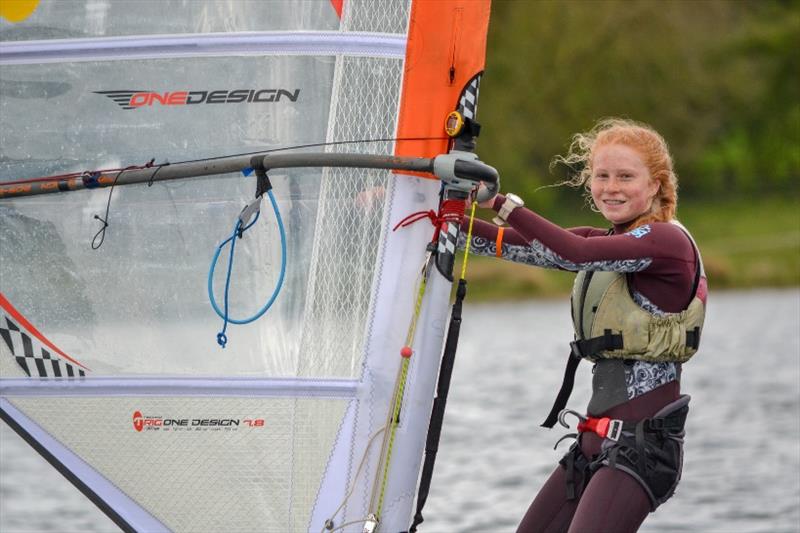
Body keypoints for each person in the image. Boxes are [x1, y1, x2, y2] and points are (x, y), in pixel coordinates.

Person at [462, 118, 707, 532]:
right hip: (593, 444)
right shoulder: (604, 241)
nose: (611, 187)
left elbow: (574, 253)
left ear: (656, 186)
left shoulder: (667, 244)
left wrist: (500, 202)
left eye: (626, 177)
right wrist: (430, 213)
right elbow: (514, 246)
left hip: (640, 452)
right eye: (602, 176)